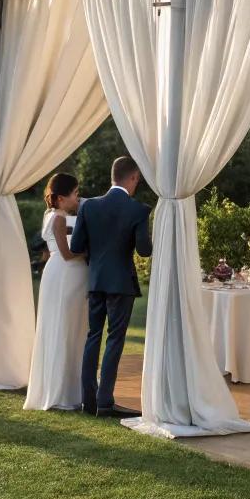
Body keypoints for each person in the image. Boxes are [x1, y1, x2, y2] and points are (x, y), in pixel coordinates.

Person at [71, 156, 153, 417]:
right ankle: (105, 401)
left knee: (93, 336)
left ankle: (89, 401)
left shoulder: (89, 206)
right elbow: (144, 250)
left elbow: (75, 247)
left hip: (95, 281)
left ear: (112, 176)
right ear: (134, 178)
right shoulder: (138, 210)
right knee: (114, 340)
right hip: (121, 285)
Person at [24, 173, 89, 411]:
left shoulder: (51, 215)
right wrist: (89, 251)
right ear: (61, 198)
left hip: (60, 274)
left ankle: (65, 386)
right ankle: (62, 391)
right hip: (65, 275)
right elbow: (67, 253)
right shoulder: (60, 219)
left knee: (65, 328)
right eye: (74, 193)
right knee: (64, 329)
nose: (77, 197)